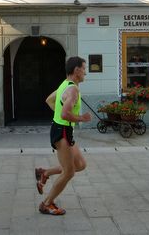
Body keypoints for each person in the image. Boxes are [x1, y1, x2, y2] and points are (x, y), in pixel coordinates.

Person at [35, 56, 92, 215]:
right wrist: (82, 118)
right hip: (63, 131)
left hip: (64, 130)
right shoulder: (73, 90)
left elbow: (49, 100)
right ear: (76, 70)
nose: (85, 73)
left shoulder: (64, 84)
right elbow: (66, 114)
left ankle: (44, 173)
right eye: (84, 69)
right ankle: (47, 203)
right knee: (69, 172)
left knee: (80, 164)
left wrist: (60, 114)